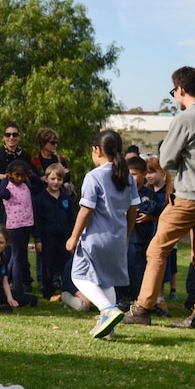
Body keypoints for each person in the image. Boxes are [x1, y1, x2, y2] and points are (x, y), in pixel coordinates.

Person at [125, 66, 195, 330]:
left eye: (174, 92)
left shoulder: (185, 119)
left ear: (180, 89)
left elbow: (166, 159)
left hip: (188, 198)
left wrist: (179, 159)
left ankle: (143, 308)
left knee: (156, 250)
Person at [65, 130, 139, 339]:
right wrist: (127, 234)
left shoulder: (94, 176)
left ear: (97, 150)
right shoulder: (127, 178)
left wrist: (73, 237)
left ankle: (108, 310)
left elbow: (86, 210)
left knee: (78, 276)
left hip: (95, 238)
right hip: (117, 238)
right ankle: (109, 329)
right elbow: (133, 209)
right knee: (105, 281)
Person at [117, 156, 162, 310]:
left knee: (141, 271)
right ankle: (122, 298)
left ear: (144, 174)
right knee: (126, 268)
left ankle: (140, 301)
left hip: (145, 239)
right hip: (127, 239)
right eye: (129, 174)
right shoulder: (122, 191)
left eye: (135, 174)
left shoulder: (149, 194)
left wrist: (150, 217)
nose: (131, 178)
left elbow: (161, 213)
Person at [0, 160, 39, 303]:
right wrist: (5, 179)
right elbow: (2, 194)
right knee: (17, 258)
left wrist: (31, 175)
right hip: (14, 226)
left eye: (23, 175)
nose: (20, 178)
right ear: (10, 175)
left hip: (26, 225)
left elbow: (39, 187)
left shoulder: (25, 186)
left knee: (19, 257)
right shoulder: (8, 187)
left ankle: (6, 282)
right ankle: (17, 288)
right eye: (17, 175)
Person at [33, 163, 76, 300]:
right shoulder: (40, 198)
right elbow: (37, 220)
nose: (56, 182)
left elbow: (72, 218)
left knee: (66, 264)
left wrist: (73, 236)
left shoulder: (66, 199)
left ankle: (67, 290)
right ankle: (48, 292)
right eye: (52, 179)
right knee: (48, 265)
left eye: (59, 179)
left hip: (64, 237)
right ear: (46, 179)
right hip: (47, 236)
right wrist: (38, 239)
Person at [142, 156, 176, 315]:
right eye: (146, 172)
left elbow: (170, 214)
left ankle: (160, 298)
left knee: (161, 264)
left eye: (152, 172)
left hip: (162, 232)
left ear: (162, 172)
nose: (149, 176)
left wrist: (153, 217)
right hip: (145, 233)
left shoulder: (170, 193)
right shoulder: (144, 191)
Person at [0, 224, 37, 311]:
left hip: (2, 294)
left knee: (32, 299)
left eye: (1, 242)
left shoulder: (4, 258)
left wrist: (10, 298)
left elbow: (5, 281)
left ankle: (6, 302)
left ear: (6, 243)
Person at [0, 122, 33, 228]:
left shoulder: (25, 156)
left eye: (14, 135)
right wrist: (6, 180)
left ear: (19, 137)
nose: (11, 137)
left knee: (14, 240)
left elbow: (28, 179)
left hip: (18, 206)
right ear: (4, 137)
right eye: (8, 135)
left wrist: (2, 176)